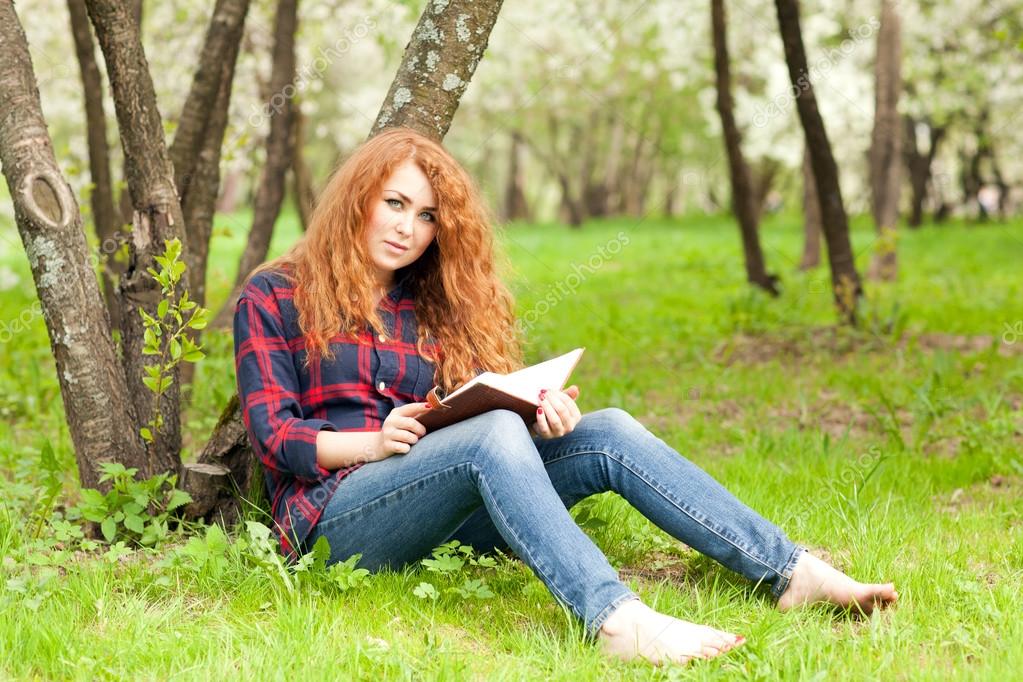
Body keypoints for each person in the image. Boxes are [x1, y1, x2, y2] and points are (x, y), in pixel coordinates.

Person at [233, 127, 897, 666]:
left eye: (427, 216)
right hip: (332, 523)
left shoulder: (431, 304)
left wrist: (537, 418)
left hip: (437, 508)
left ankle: (788, 572)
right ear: (358, 198)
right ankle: (614, 619)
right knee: (489, 440)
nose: (408, 227)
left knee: (605, 430)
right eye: (395, 203)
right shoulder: (275, 295)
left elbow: (474, 416)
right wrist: (375, 442)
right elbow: (273, 437)